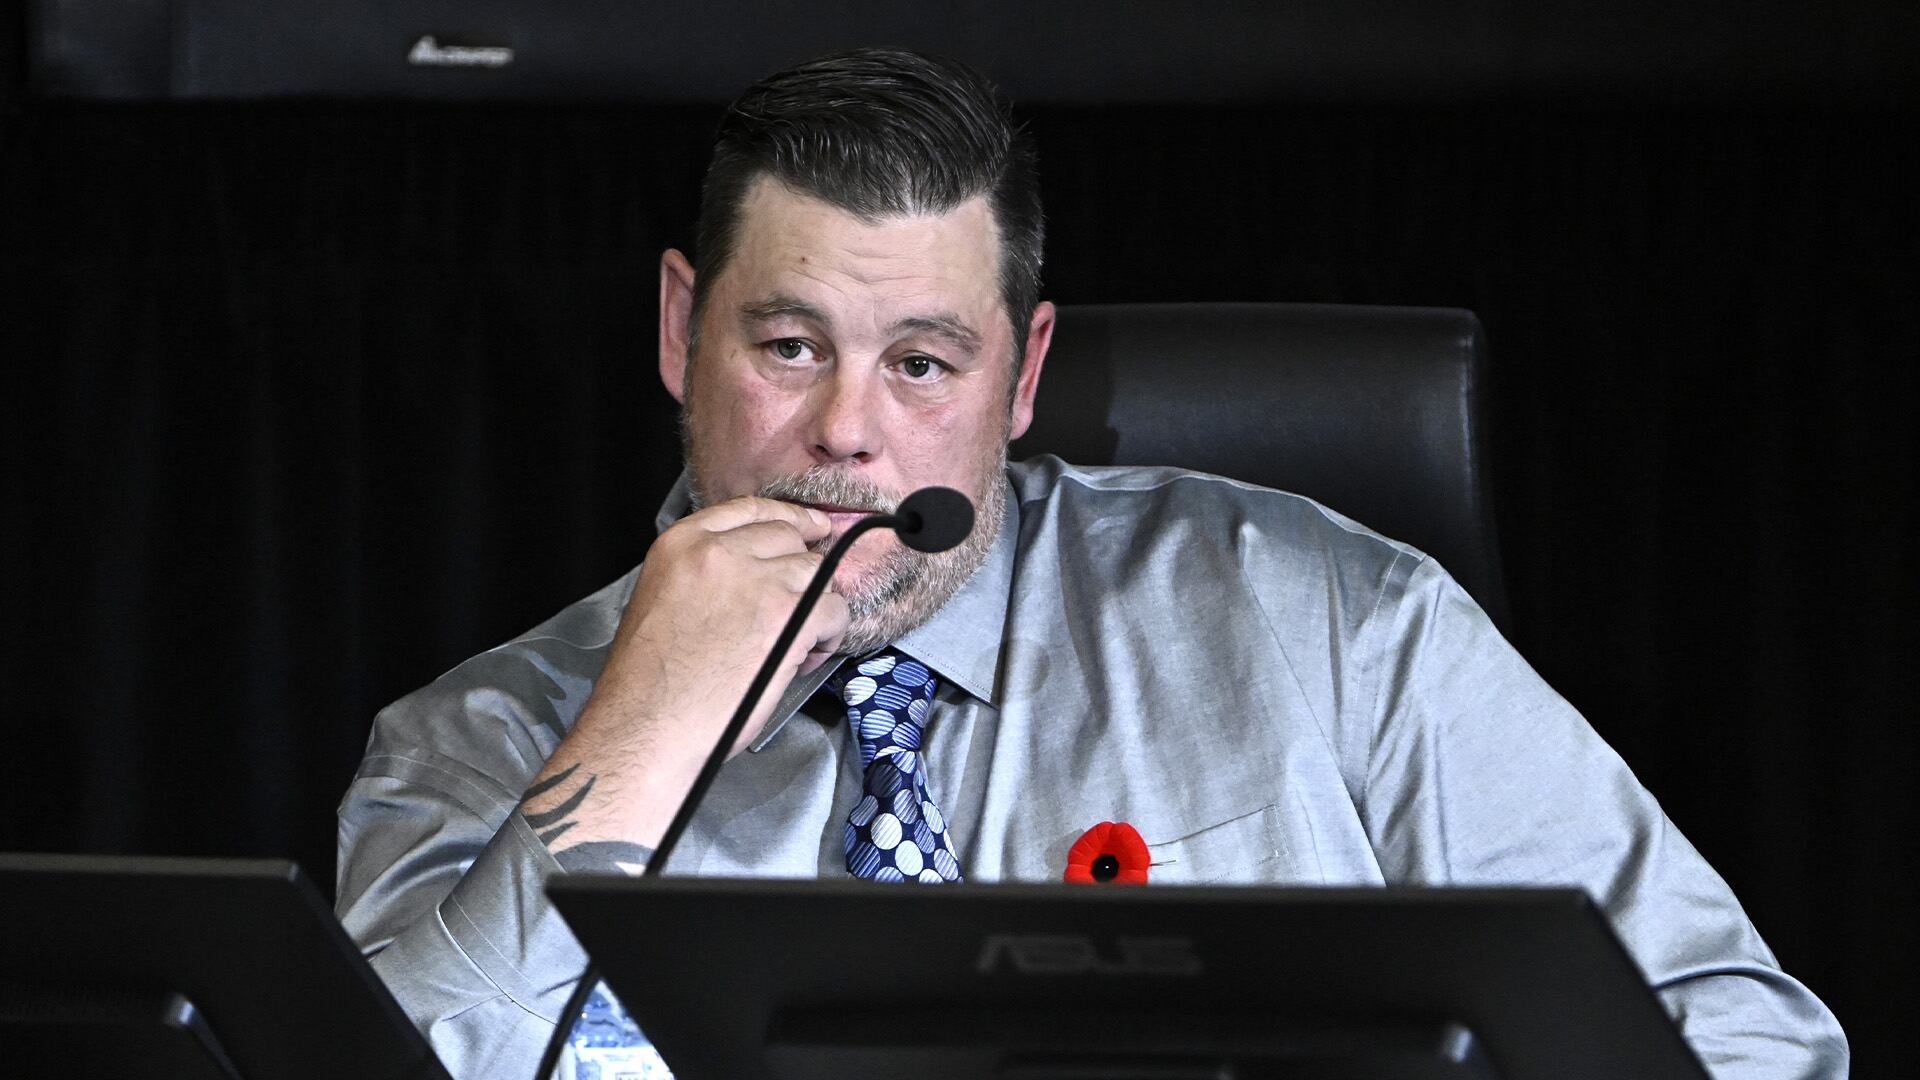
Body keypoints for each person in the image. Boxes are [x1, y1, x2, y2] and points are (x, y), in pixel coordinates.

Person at [335, 47, 1848, 1080]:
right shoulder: (472, 741)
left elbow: (1740, 1040)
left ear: (1024, 374)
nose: (848, 431)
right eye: (788, 346)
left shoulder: (1330, 621)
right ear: (681, 330)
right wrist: (635, 741)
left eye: (922, 364)